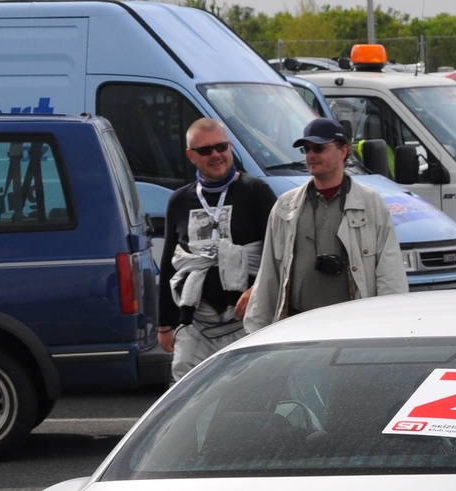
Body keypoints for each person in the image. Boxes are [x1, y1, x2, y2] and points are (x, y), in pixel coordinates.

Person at [242, 118, 407, 333]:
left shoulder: (370, 203)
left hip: (353, 328)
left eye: (319, 148)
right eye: (306, 149)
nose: (311, 155)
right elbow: (269, 275)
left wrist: (390, 327)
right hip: (297, 325)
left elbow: (390, 271)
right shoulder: (285, 206)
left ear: (343, 151)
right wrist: (257, 329)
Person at [158, 118, 278, 381]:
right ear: (191, 156)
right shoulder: (179, 200)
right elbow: (169, 263)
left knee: (252, 395)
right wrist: (165, 324)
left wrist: (256, 289)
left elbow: (278, 253)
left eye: (221, 147)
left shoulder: (256, 192)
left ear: (230, 146)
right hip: (196, 323)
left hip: (245, 322)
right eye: (205, 150)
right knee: (184, 399)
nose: (215, 155)